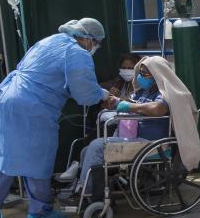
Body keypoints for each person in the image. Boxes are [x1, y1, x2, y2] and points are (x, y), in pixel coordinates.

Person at [0, 18, 110, 218]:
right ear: (87, 38)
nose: (95, 48)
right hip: (33, 106)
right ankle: (40, 214)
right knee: (36, 158)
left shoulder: (49, 41)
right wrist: (104, 95)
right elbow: (84, 93)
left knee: (5, 154)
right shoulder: (77, 52)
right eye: (96, 43)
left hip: (8, 98)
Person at [69, 59, 170, 199]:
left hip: (149, 142)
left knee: (96, 146)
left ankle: (88, 193)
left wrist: (130, 107)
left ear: (156, 75)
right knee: (86, 150)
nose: (140, 76)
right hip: (133, 138)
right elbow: (129, 101)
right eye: (140, 73)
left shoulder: (164, 92)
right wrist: (115, 102)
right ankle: (83, 186)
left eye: (145, 74)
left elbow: (158, 109)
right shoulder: (143, 92)